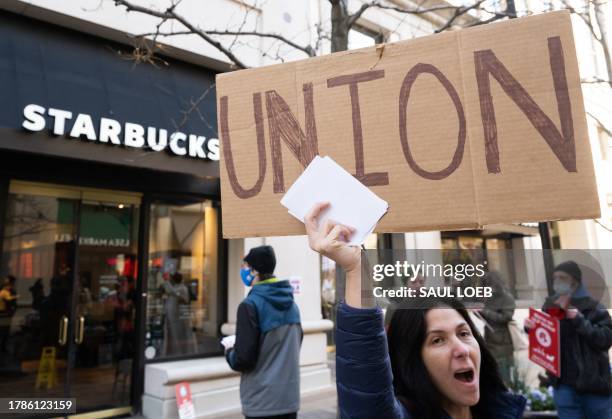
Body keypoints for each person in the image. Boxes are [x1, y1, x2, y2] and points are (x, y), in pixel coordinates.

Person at [304, 202, 526, 419]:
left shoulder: (502, 409)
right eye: (438, 340)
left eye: (464, 333)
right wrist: (356, 269)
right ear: (413, 361)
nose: (461, 349)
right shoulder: (399, 309)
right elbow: (367, 377)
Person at [524, 261, 612, 419]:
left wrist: (578, 318)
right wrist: (531, 328)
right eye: (555, 278)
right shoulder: (550, 307)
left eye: (562, 277)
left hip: (595, 387)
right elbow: (545, 340)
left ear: (574, 281)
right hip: (564, 386)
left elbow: (605, 339)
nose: (557, 282)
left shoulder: (594, 307)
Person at [224, 245, 302, 419]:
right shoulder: (292, 305)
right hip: (289, 400)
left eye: (245, 266)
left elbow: (243, 360)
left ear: (254, 270)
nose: (243, 270)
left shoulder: (249, 306)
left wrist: (229, 351)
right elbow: (295, 346)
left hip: (261, 402)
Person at [476, 271, 516, 386]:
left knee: (504, 375)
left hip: (502, 341)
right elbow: (487, 314)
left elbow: (506, 317)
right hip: (489, 339)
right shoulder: (489, 297)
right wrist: (479, 313)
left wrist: (486, 312)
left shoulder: (507, 298)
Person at [160, 272, 197, 356]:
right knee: (174, 334)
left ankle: (179, 352)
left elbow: (171, 291)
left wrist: (166, 280)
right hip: (173, 315)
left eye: (173, 278)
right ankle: (174, 351)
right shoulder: (177, 287)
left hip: (177, 316)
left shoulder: (181, 288)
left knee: (178, 334)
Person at [0, 276, 18, 353]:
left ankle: (2, 347)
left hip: (4, 313)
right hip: (6, 313)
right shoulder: (9, 290)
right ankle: (2, 348)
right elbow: (12, 302)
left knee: (3, 331)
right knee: (4, 331)